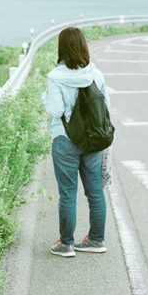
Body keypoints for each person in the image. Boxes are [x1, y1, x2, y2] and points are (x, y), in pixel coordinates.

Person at [42, 27, 110, 257]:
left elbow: (56, 109)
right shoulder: (95, 74)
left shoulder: (55, 76)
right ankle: (96, 240)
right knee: (95, 192)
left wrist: (44, 96)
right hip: (93, 141)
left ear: (62, 48)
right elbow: (106, 107)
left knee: (68, 194)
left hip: (65, 140)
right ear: (83, 46)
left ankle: (66, 244)